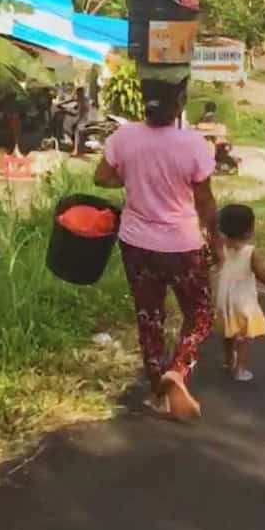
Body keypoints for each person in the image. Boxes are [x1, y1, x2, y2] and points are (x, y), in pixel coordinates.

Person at [94, 77, 222, 421]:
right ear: (178, 104)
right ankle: (177, 370)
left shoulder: (124, 137)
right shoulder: (193, 145)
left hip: (136, 243)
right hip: (182, 245)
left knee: (149, 318)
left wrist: (132, 177)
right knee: (201, 315)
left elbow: (101, 177)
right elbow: (205, 200)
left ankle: (157, 394)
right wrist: (217, 241)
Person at [213, 204, 265, 383]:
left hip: (224, 299)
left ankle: (229, 361)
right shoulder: (250, 252)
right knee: (244, 337)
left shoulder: (220, 249)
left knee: (228, 332)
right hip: (243, 301)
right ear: (249, 230)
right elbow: (263, 274)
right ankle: (240, 369)